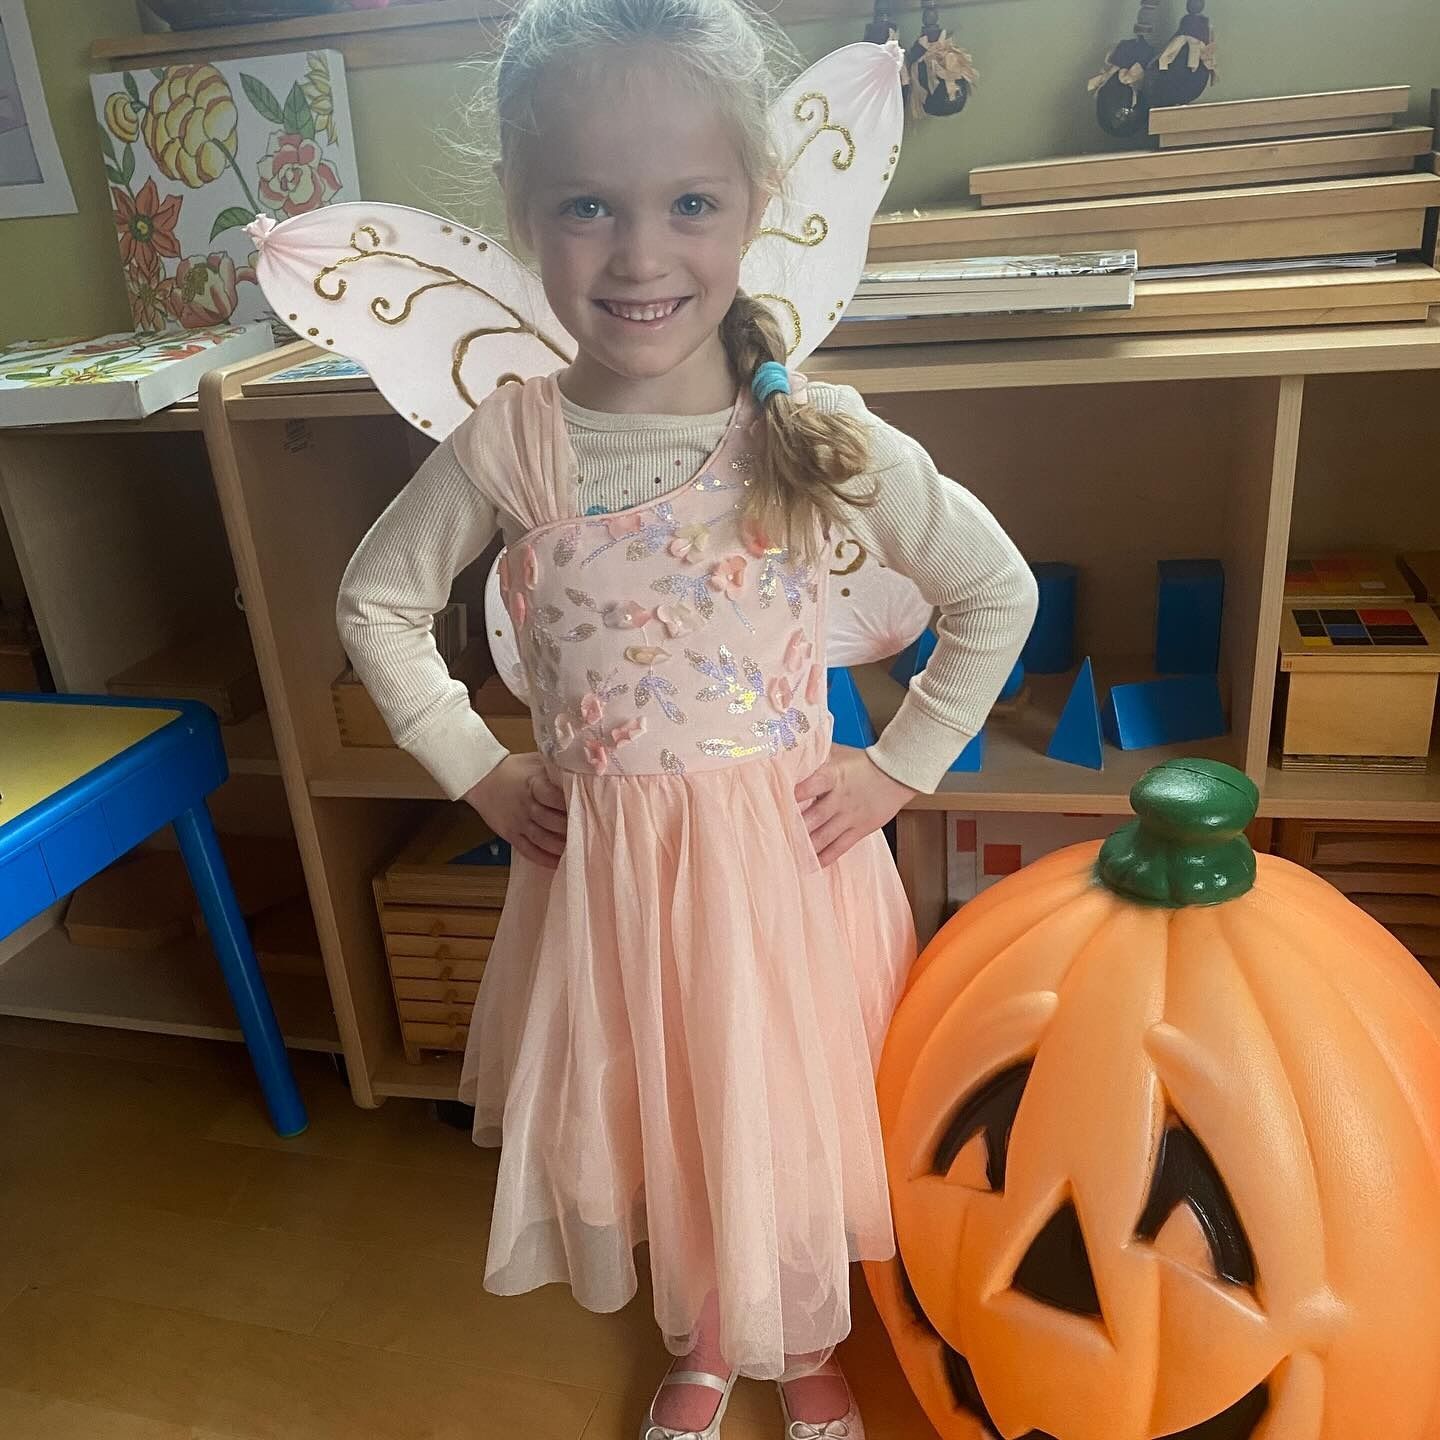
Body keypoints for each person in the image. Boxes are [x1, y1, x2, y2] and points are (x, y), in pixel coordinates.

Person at [337, 0, 1036, 1434]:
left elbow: (995, 591)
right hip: (613, 894)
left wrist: (900, 770)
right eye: (589, 205)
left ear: (752, 209)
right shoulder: (513, 440)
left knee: (778, 1119)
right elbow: (374, 606)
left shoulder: (815, 431)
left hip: (787, 880)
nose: (641, 254)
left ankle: (804, 1346)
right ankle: (710, 1341)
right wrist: (475, 771)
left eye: (689, 203)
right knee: (670, 1123)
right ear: (530, 217)